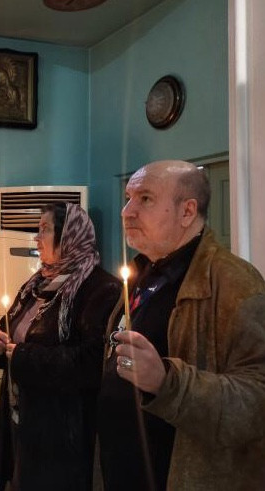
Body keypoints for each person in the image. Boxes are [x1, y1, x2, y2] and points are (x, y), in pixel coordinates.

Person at [97, 160, 265, 490]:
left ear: (187, 212)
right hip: (124, 470)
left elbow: (257, 401)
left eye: (145, 199)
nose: (127, 212)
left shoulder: (234, 282)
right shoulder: (141, 274)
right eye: (128, 198)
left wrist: (166, 381)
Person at [0, 202, 121, 491]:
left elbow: (92, 361)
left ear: (69, 235)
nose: (37, 237)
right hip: (21, 421)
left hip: (62, 432)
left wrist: (23, 356)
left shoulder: (100, 289)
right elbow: (9, 329)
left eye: (45, 229)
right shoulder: (35, 285)